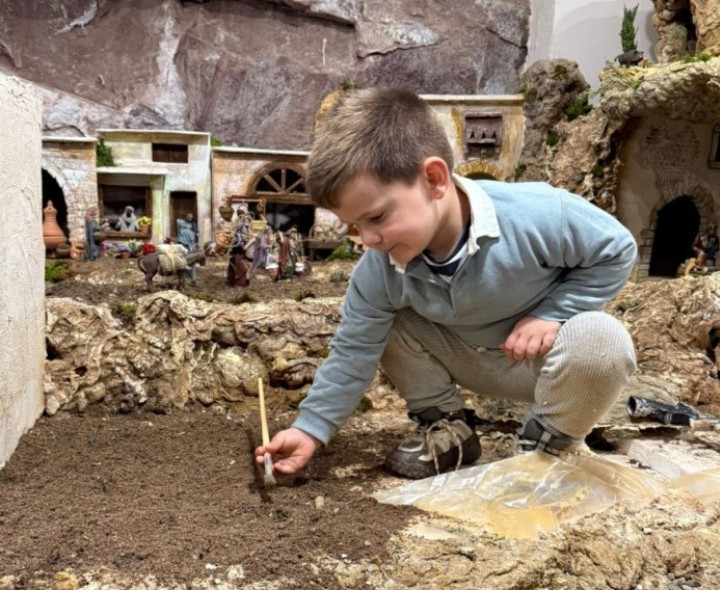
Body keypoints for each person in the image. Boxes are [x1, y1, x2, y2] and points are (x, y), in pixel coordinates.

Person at [255, 87, 638, 480]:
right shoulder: (379, 267)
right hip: (461, 358)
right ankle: (448, 428)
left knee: (603, 339)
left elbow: (617, 250)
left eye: (377, 217)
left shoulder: (537, 214)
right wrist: (310, 428)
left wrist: (551, 315)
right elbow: (353, 350)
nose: (368, 239)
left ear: (434, 180)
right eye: (355, 226)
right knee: (383, 324)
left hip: (542, 364)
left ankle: (546, 445)